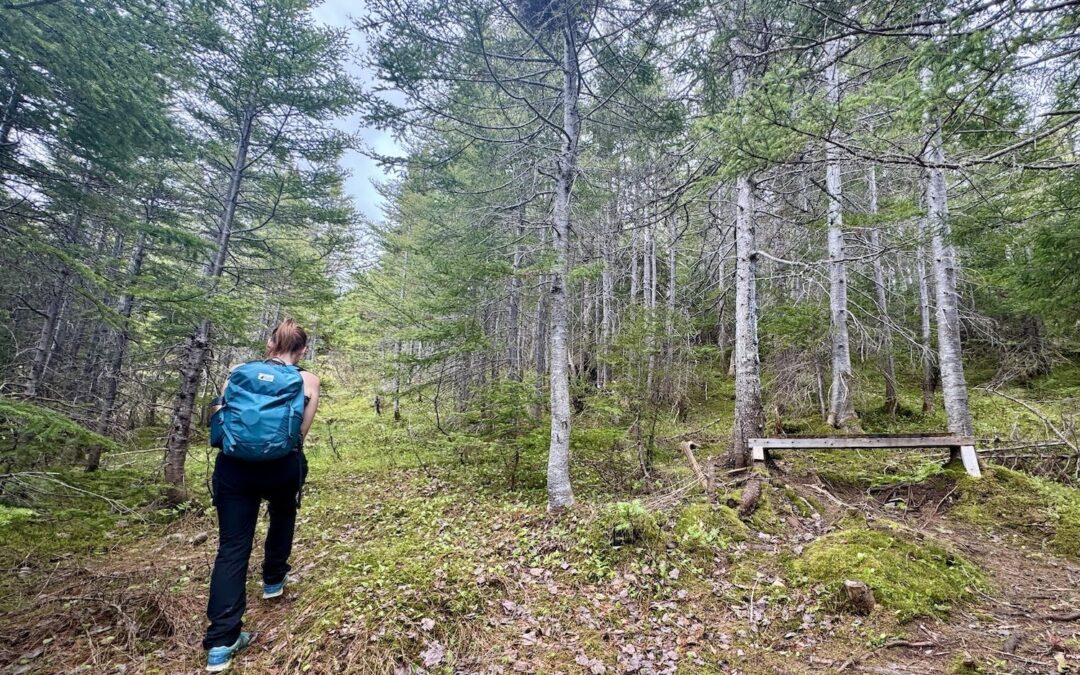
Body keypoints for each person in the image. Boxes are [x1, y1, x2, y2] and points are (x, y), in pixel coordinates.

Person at [203, 319, 320, 672]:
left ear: (270, 344)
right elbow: (301, 431)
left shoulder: (238, 371)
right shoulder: (307, 380)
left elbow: (219, 417)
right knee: (283, 515)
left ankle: (222, 643)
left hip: (234, 467)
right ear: (301, 350)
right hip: (282, 465)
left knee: (232, 545)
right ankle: (273, 579)